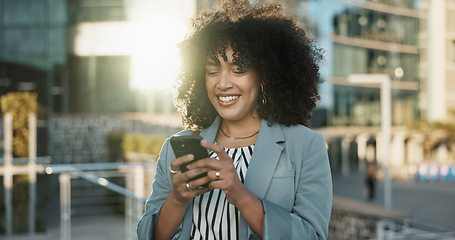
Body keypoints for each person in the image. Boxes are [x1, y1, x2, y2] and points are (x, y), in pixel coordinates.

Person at [137, 0, 332, 239]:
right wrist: (177, 199)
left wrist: (240, 194)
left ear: (264, 76)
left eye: (238, 69)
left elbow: (312, 235)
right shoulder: (176, 149)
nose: (223, 83)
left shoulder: (305, 146)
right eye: (212, 71)